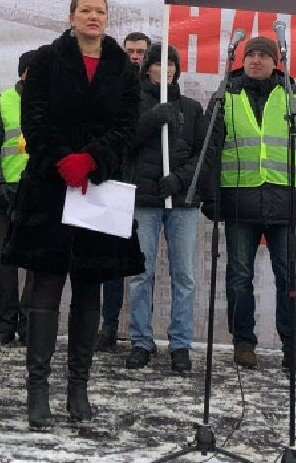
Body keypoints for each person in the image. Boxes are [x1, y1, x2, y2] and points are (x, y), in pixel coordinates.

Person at [2, 0, 143, 428]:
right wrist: (62, 158)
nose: (93, 17)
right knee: (45, 284)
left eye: (100, 11)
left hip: (97, 192)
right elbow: (34, 117)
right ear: (71, 16)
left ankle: (78, 390)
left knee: (88, 286)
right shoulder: (46, 60)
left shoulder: (122, 68)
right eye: (86, 10)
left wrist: (93, 159)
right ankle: (37, 391)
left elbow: (127, 127)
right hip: (50, 189)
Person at [204, 35, 296, 375]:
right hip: (239, 199)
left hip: (284, 200)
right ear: (241, 60)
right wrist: (208, 193)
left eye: (263, 55)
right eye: (251, 55)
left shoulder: (292, 97)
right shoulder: (225, 96)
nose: (256, 60)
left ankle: (295, 349)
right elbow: (210, 149)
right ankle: (244, 344)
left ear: (276, 61)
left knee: (291, 280)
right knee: (239, 277)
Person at [124, 43, 207, 373]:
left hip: (182, 202)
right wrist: (148, 122)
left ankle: (180, 344)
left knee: (183, 275)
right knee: (142, 275)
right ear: (147, 68)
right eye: (159, 63)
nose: (167, 69)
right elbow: (124, 145)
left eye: (172, 63)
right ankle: (141, 341)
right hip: (144, 201)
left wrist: (181, 180)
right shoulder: (131, 104)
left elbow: (203, 154)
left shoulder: (191, 108)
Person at [96, 30, 152, 350]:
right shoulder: (112, 86)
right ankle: (109, 324)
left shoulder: (157, 93)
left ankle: (142, 332)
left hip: (144, 186)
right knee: (111, 261)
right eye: (130, 50)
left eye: (140, 52)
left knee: (145, 266)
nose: (135, 56)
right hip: (114, 183)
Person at [0, 50, 36, 345]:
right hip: (9, 191)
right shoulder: (4, 102)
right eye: (31, 70)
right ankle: (5, 323)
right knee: (6, 263)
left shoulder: (54, 103)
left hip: (40, 191)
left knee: (37, 263)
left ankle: (28, 323)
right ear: (22, 72)